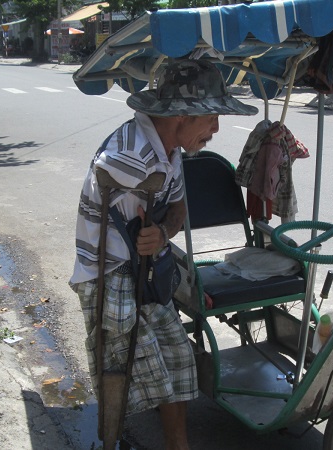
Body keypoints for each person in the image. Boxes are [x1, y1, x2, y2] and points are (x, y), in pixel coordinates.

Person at [69, 59, 258, 449]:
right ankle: (110, 442)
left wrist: (162, 232)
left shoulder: (170, 152)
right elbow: (107, 168)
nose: (216, 129)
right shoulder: (132, 155)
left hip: (144, 271)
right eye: (212, 117)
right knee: (125, 375)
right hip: (108, 274)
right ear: (182, 115)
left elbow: (178, 209)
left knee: (178, 366)